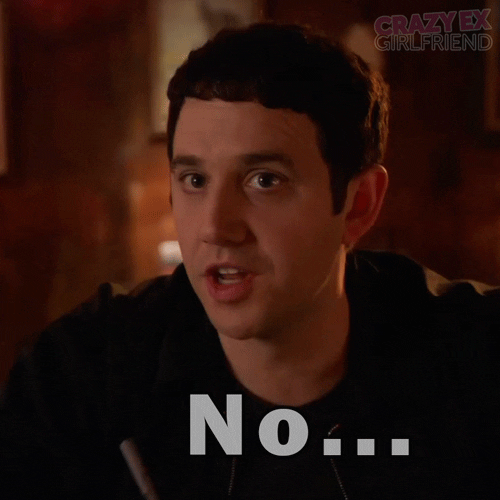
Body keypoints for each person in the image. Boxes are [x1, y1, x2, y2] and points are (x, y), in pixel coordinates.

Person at [1, 23, 499, 500]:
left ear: (358, 205)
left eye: (264, 180)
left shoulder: (477, 359)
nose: (216, 227)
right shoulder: (81, 375)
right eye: (194, 181)